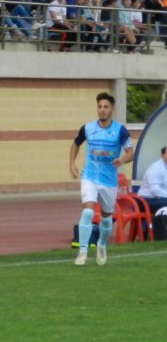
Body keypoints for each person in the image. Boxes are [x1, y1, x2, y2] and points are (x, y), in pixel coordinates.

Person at [68, 92, 133, 266]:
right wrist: (72, 163)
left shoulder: (120, 130)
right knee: (88, 211)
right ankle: (82, 251)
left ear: (112, 109)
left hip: (109, 181)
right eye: (99, 107)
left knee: (106, 217)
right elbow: (76, 143)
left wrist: (122, 160)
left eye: (105, 107)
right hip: (89, 176)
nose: (102, 110)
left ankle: (102, 245)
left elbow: (130, 153)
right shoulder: (88, 128)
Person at [137, 147, 167, 215]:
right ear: (162, 155)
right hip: (146, 200)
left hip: (159, 199)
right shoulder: (156, 168)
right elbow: (155, 190)